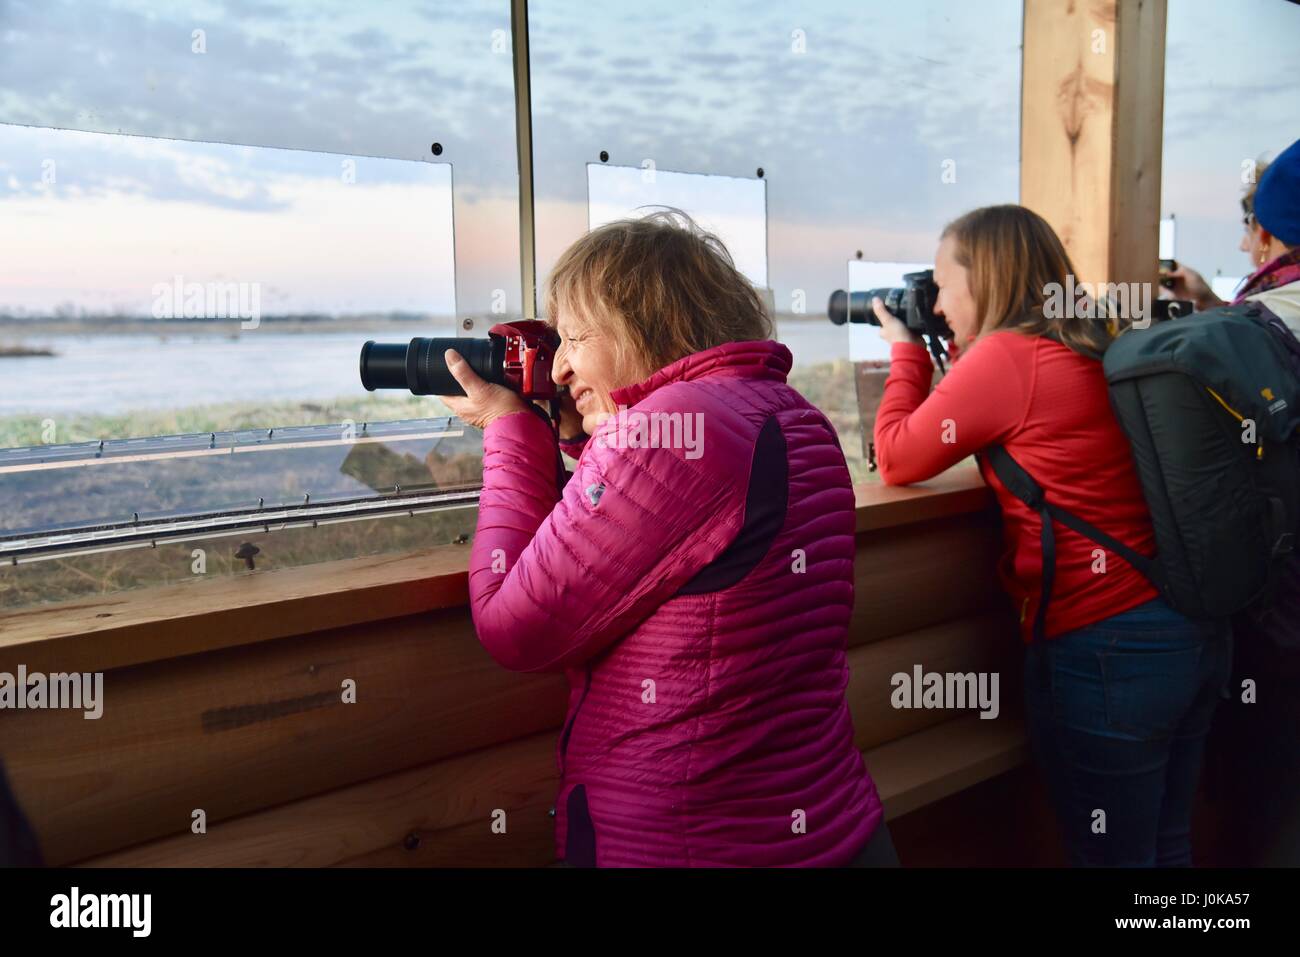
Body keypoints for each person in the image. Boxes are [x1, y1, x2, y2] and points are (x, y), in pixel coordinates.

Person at [440, 210, 894, 867]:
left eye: (572, 338)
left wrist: (509, 430)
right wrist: (580, 439)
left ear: (641, 325)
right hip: (826, 821)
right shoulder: (790, 413)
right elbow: (672, 544)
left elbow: (514, 627)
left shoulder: (669, 428)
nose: (559, 369)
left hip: (691, 840)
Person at [872, 204, 1231, 867]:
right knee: (1166, 848)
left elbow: (895, 455)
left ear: (985, 279)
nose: (939, 302)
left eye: (945, 284)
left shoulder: (1008, 358)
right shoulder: (1093, 336)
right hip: (1186, 628)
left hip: (1106, 645)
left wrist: (902, 346)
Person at [1167, 136, 1300, 866]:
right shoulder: (1255, 319)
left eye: (1254, 225)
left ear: (1276, 233)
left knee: (1263, 796)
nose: (1246, 242)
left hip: (1277, 609)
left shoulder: (1254, 326)